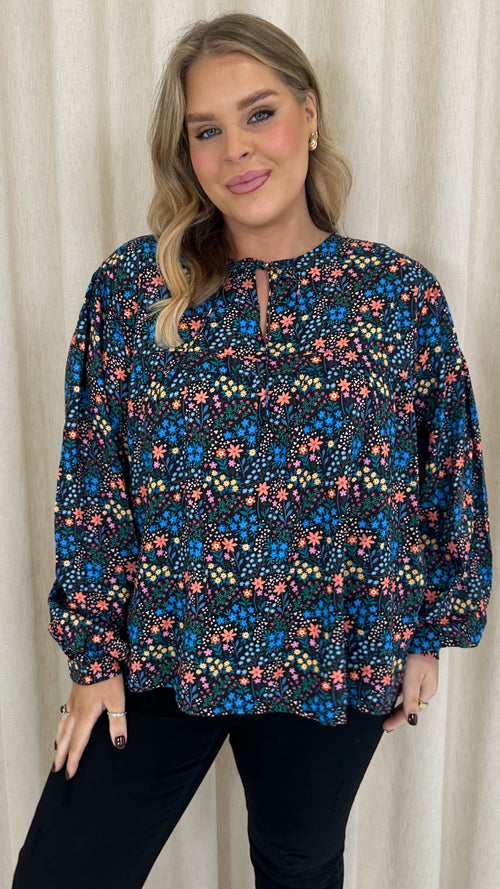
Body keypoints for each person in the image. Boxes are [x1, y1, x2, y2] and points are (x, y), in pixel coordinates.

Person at [12, 11, 492, 889]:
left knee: (298, 867)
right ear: (187, 153)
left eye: (259, 113)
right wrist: (92, 657)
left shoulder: (397, 297)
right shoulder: (133, 289)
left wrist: (428, 631)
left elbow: (446, 469)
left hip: (333, 649)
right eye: (207, 130)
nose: (236, 148)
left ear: (309, 114)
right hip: (163, 646)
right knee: (63, 872)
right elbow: (92, 480)